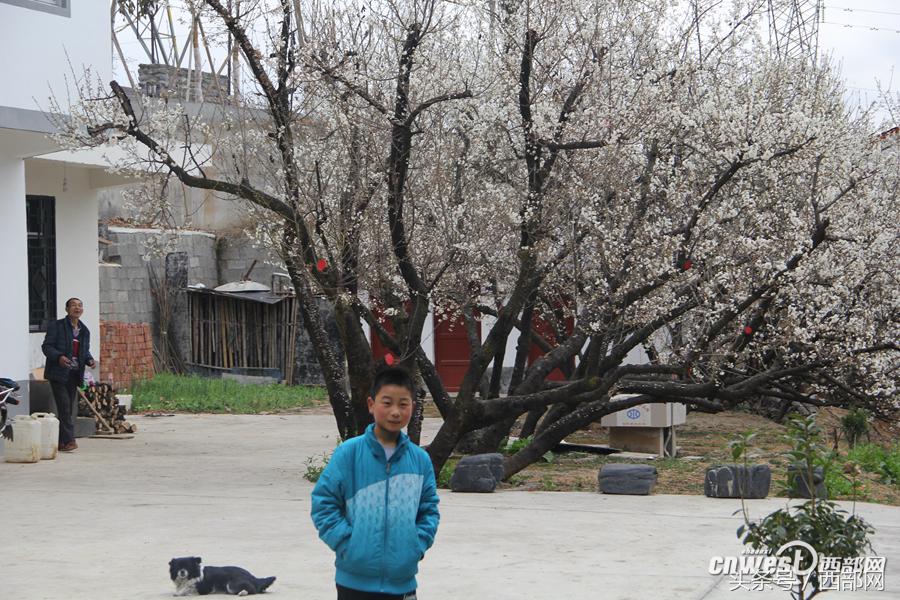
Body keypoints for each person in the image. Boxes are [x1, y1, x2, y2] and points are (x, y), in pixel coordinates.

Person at [311, 367, 440, 600]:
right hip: (353, 582)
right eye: (387, 403)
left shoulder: (419, 460)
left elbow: (429, 509)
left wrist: (416, 547)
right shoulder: (348, 454)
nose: (395, 412)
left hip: (402, 582)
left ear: (413, 406)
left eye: (403, 404)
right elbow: (323, 503)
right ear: (371, 404)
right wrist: (346, 544)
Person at [42, 298, 95, 452]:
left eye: (79, 306)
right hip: (58, 373)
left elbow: (84, 351)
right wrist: (59, 357)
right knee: (64, 407)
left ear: (82, 310)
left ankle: (61, 442)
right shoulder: (57, 326)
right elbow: (47, 346)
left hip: (74, 374)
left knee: (68, 407)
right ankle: (69, 440)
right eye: (73, 305)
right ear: (67, 309)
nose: (76, 308)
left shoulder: (84, 331)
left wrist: (89, 359)